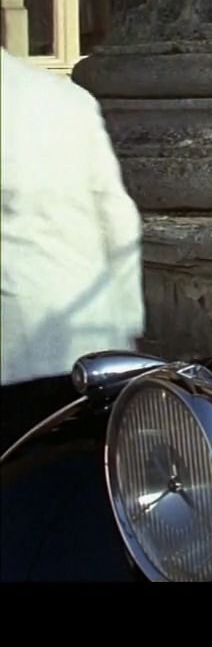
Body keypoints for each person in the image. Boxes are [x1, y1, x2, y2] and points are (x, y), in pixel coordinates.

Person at [1, 50, 146, 393]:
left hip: (17, 337)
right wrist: (127, 319)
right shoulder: (69, 97)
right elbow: (118, 216)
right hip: (92, 325)